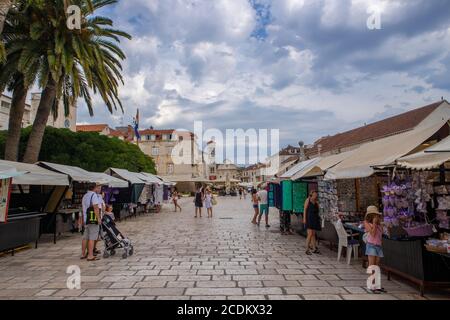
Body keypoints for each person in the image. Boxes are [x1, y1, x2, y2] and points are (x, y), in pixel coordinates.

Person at [364, 205, 387, 294]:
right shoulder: (366, 222)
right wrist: (374, 223)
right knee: (372, 266)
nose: (376, 216)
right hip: (371, 246)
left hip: (378, 246)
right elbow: (373, 234)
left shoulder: (379, 224)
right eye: (374, 215)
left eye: (376, 215)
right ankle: (371, 285)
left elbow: (382, 234)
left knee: (377, 266)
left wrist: (381, 224)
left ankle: (377, 285)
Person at [80, 184, 102, 261]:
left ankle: (83, 254)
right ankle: (90, 255)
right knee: (92, 238)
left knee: (85, 237)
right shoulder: (94, 195)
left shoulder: (85, 196)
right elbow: (96, 208)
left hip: (86, 219)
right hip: (93, 219)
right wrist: (98, 218)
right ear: (94, 188)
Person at [303, 191, 321, 255]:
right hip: (309, 219)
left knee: (313, 234)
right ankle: (307, 249)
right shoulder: (308, 200)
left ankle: (314, 248)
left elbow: (318, 210)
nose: (315, 196)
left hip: (315, 219)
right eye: (314, 194)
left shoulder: (316, 202)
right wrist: (304, 219)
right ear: (311, 194)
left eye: (316, 195)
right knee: (310, 234)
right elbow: (304, 210)